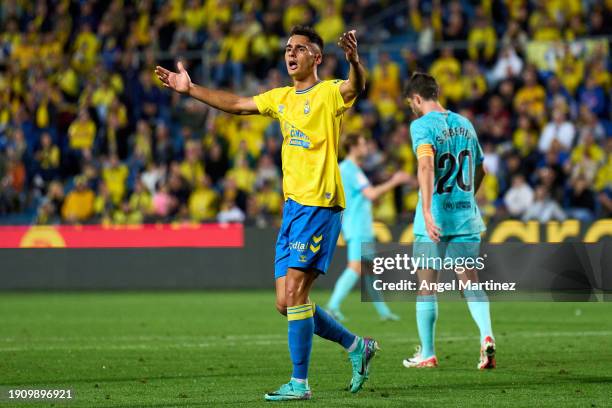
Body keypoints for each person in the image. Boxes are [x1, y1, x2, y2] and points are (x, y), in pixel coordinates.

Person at [156, 26, 378, 401]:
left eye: (300, 49)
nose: (290, 54)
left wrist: (354, 60)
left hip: (320, 204)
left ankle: (300, 383)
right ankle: (357, 346)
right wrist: (190, 90)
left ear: (317, 58)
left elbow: (355, 86)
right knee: (285, 302)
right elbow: (237, 104)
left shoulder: (328, 93)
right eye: (287, 48)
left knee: (295, 293)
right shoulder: (281, 98)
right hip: (293, 207)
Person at [402, 72, 496, 370]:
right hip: (466, 218)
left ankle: (428, 353)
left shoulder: (421, 126)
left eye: (411, 104)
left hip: (436, 220)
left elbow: (427, 164)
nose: (412, 109)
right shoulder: (465, 124)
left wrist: (428, 212)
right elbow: (481, 168)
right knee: (470, 282)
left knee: (427, 285)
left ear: (417, 99)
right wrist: (469, 196)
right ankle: (487, 336)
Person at [327, 133, 410, 321]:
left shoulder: (353, 169)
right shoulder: (349, 169)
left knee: (370, 271)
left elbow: (364, 196)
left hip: (362, 226)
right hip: (356, 226)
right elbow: (371, 194)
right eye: (363, 143)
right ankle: (332, 306)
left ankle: (384, 312)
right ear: (353, 147)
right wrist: (394, 181)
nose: (366, 147)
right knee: (355, 267)